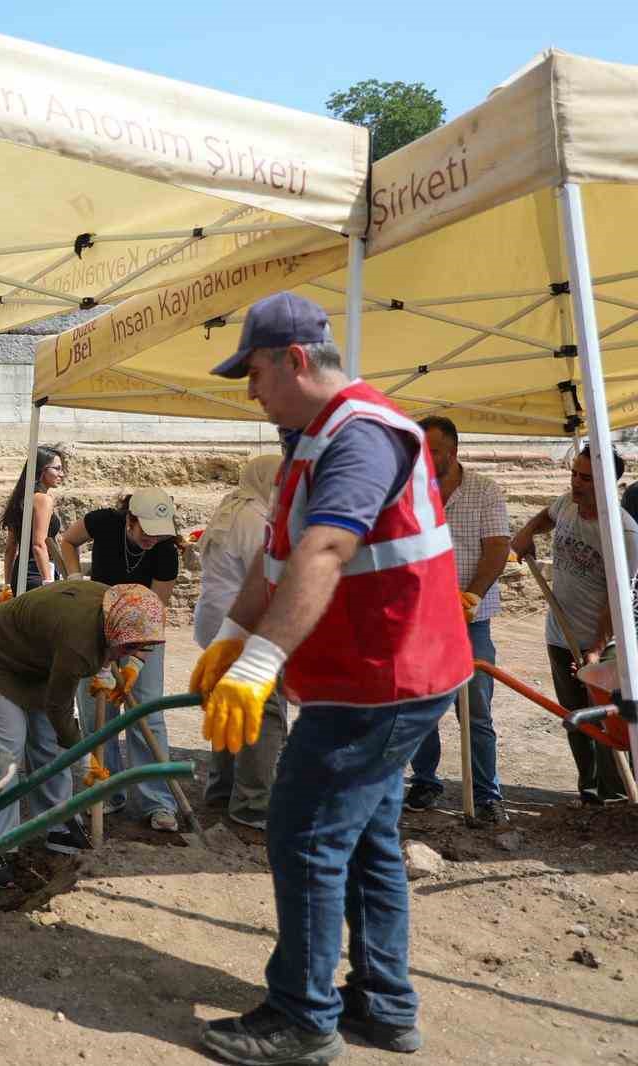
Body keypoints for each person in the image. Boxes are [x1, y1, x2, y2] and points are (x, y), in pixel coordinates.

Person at [192, 293, 471, 1065]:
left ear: (296, 360)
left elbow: (324, 555)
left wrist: (258, 667)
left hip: (382, 679)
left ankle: (302, 1017)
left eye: (254, 373)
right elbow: (275, 556)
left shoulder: (361, 436)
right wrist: (232, 636)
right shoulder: (310, 441)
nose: (250, 392)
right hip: (379, 675)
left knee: (305, 833)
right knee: (369, 838)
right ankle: (383, 1005)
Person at [0, 580, 165, 887]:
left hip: (41, 662)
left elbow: (128, 643)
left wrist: (116, 666)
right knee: (8, 749)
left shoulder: (118, 607)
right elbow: (59, 708)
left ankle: (57, 822)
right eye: (128, 647)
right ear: (113, 630)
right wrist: (82, 757)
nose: (133, 653)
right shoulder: (78, 642)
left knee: (45, 743)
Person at [511, 445, 638, 805]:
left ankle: (616, 795)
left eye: (585, 478)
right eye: (574, 474)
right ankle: (589, 792)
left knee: (609, 723)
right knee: (575, 718)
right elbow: (546, 516)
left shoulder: (623, 534)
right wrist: (526, 533)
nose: (576, 484)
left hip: (603, 642)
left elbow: (618, 600)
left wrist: (596, 649)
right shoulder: (567, 504)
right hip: (559, 633)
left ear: (607, 483)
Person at [405, 416, 512, 822]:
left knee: (477, 710)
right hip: (422, 621)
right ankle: (425, 782)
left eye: (432, 451)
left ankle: (487, 794)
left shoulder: (484, 491)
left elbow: (498, 548)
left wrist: (471, 595)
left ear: (454, 451)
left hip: (473, 620)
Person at [57, 488, 181, 831]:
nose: (152, 539)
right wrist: (73, 576)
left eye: (160, 533)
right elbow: (67, 540)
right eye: (146, 531)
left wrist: (134, 665)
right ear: (130, 519)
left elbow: (154, 615)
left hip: (142, 630)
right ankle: (107, 792)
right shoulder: (103, 522)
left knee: (146, 713)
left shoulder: (167, 552)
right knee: (99, 712)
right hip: (96, 628)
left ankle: (158, 802)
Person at [194, 453, 287, 830]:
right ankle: (252, 805)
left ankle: (222, 793)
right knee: (266, 715)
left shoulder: (234, 509)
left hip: (218, 621)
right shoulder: (253, 519)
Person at [1, 447, 67, 590]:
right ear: (42, 469)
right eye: (57, 468)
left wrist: (7, 584)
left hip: (19, 577)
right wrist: (48, 582)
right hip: (38, 575)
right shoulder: (43, 500)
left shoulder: (20, 498)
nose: (62, 474)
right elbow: (38, 545)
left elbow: (10, 547)